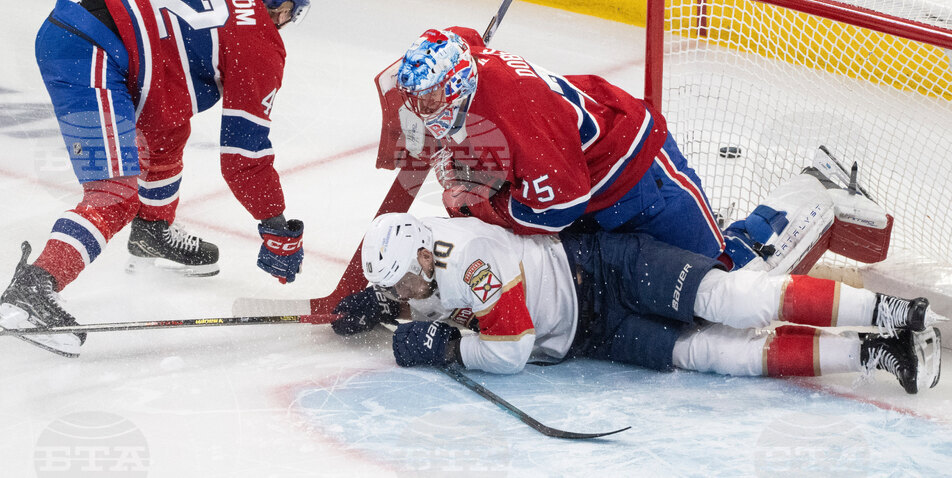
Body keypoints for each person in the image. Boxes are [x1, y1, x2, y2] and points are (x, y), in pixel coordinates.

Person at [0, 0, 314, 357]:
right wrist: (275, 225)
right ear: (282, 6)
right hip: (91, 55)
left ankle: (153, 229)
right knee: (114, 195)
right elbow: (244, 157)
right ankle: (33, 290)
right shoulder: (261, 43)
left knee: (167, 123)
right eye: (290, 13)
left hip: (79, 28)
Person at [331, 212, 943, 394]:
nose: (402, 297)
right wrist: (380, 309)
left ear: (421, 256)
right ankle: (873, 356)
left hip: (603, 269)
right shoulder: (420, 267)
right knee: (713, 355)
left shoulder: (469, 258)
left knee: (731, 297)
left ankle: (890, 314)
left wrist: (445, 345)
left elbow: (510, 350)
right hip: (589, 335)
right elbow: (432, 304)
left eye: (400, 287)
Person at [388, 26, 727, 264]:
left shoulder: (516, 113)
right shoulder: (466, 61)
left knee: (713, 269)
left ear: (456, 83)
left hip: (636, 168)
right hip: (586, 183)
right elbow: (464, 35)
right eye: (415, 99)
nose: (420, 110)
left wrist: (483, 207)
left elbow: (559, 209)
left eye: (429, 99)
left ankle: (772, 228)